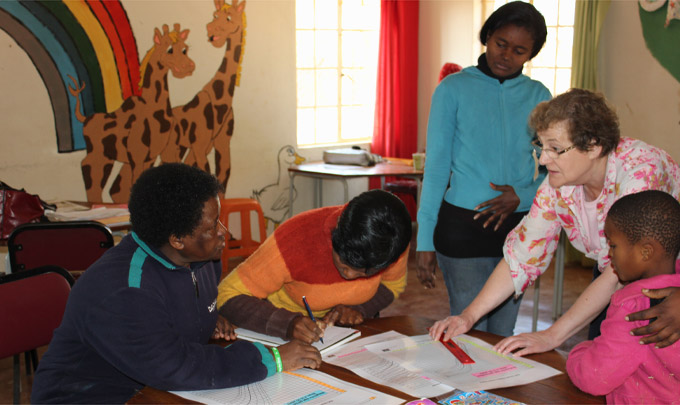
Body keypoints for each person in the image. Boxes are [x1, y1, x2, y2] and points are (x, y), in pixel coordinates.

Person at [31, 163, 322, 403]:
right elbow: (173, 366)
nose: (224, 232)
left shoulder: (202, 259)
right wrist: (273, 359)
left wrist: (206, 315)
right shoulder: (124, 288)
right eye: (212, 226)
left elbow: (169, 311)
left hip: (155, 389)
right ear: (177, 240)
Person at [429, 88, 680, 356]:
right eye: (541, 146)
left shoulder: (641, 172)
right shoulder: (557, 184)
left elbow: (619, 272)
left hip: (667, 277)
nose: (543, 159)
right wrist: (467, 316)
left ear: (593, 146)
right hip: (615, 273)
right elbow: (522, 255)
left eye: (556, 149)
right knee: (607, 355)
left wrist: (551, 335)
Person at [416, 1, 551, 336]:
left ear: (530, 54)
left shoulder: (540, 96)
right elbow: (436, 169)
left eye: (519, 50)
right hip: (463, 227)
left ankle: (496, 392)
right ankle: (464, 391)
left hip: (520, 228)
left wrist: (522, 195)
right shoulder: (452, 89)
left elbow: (557, 166)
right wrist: (424, 241)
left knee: (503, 332)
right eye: (501, 43)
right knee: (468, 330)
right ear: (487, 36)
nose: (506, 56)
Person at [218, 189, 412, 344]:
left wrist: (361, 308)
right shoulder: (295, 239)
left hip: (349, 339)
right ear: (334, 236)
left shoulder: (390, 242)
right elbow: (226, 294)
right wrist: (287, 323)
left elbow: (392, 285)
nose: (350, 275)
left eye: (365, 272)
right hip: (279, 332)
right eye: (344, 265)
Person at [567, 190, 680, 403]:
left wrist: (580, 351)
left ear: (645, 252)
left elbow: (594, 377)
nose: (609, 254)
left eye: (613, 245)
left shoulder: (634, 307)